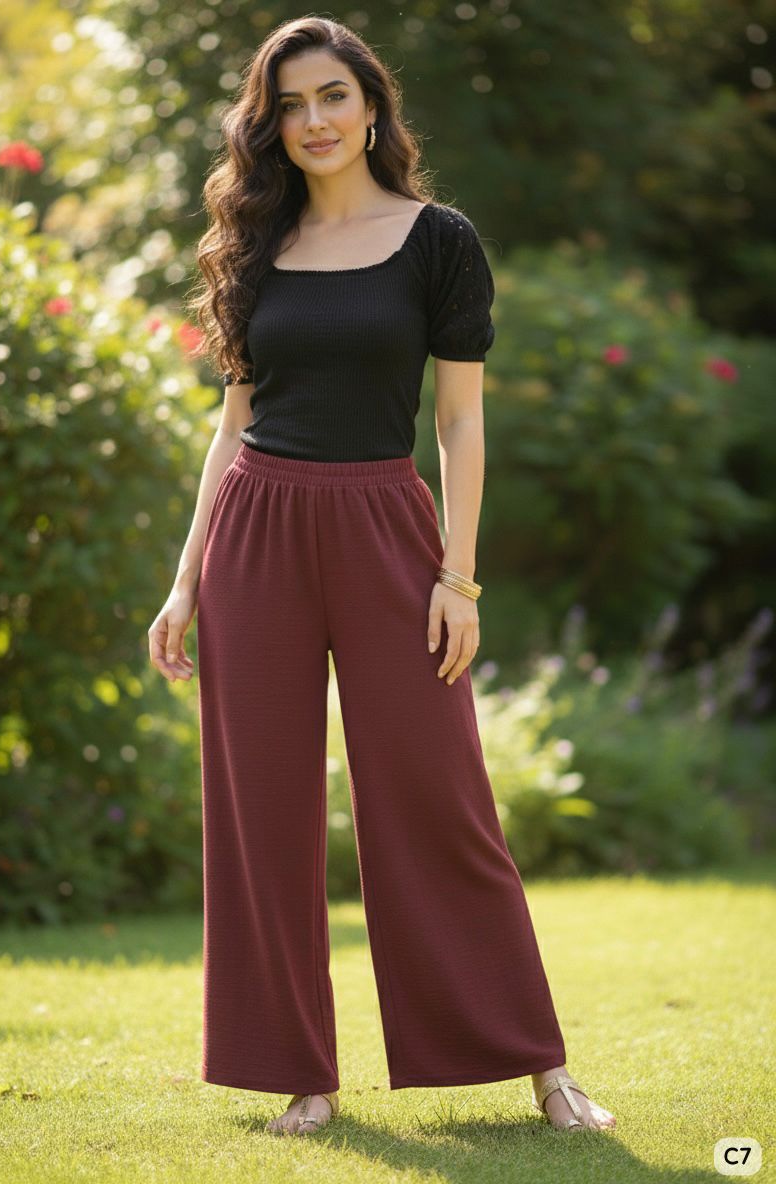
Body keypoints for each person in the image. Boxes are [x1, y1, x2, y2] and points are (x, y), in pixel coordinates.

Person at [148, 16, 617, 1139]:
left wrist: (457, 576)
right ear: (270, 125)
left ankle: (540, 1068)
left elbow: (459, 423)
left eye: (332, 98)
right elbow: (233, 427)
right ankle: (297, 1073)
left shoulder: (438, 240)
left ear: (371, 105)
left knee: (439, 795)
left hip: (385, 527)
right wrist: (185, 579)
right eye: (290, 105)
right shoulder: (254, 246)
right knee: (261, 807)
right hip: (258, 526)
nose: (312, 121)